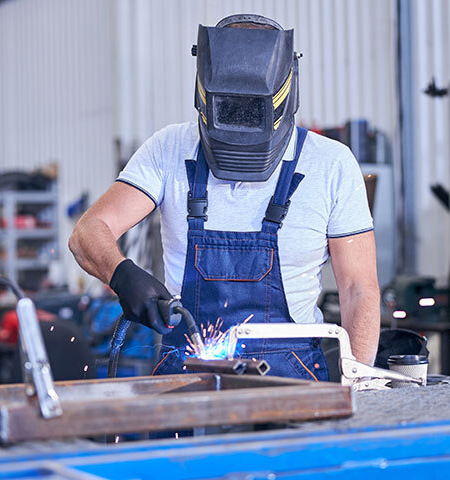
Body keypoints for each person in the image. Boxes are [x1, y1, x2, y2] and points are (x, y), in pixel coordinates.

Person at [69, 14, 379, 381]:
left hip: (292, 379)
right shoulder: (169, 149)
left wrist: (360, 383)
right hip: (189, 372)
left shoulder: (331, 164)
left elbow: (358, 289)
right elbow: (88, 232)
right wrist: (121, 273)